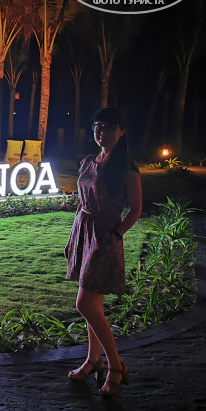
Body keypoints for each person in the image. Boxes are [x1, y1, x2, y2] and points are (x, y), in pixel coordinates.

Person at [64, 106, 142, 396]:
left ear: (121, 131)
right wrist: (74, 237)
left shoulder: (126, 166)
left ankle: (115, 366)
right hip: (84, 229)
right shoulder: (87, 162)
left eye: (109, 127)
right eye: (98, 126)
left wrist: (116, 235)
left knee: (84, 304)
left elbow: (136, 209)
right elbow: (82, 201)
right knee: (93, 306)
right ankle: (93, 360)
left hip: (105, 236)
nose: (101, 132)